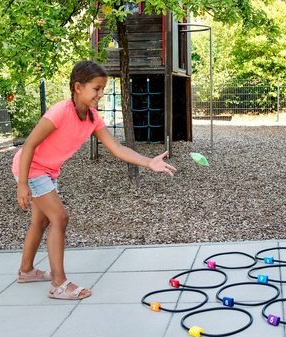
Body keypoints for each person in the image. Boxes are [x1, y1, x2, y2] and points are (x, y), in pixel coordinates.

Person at [12, 60, 176, 300]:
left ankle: (26, 271)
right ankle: (58, 284)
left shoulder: (92, 118)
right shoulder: (60, 112)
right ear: (78, 87)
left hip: (47, 171)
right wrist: (23, 184)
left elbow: (116, 148)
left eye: (102, 89)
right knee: (59, 217)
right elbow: (29, 145)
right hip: (31, 168)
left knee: (42, 221)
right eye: (96, 89)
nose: (100, 94)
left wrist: (148, 162)